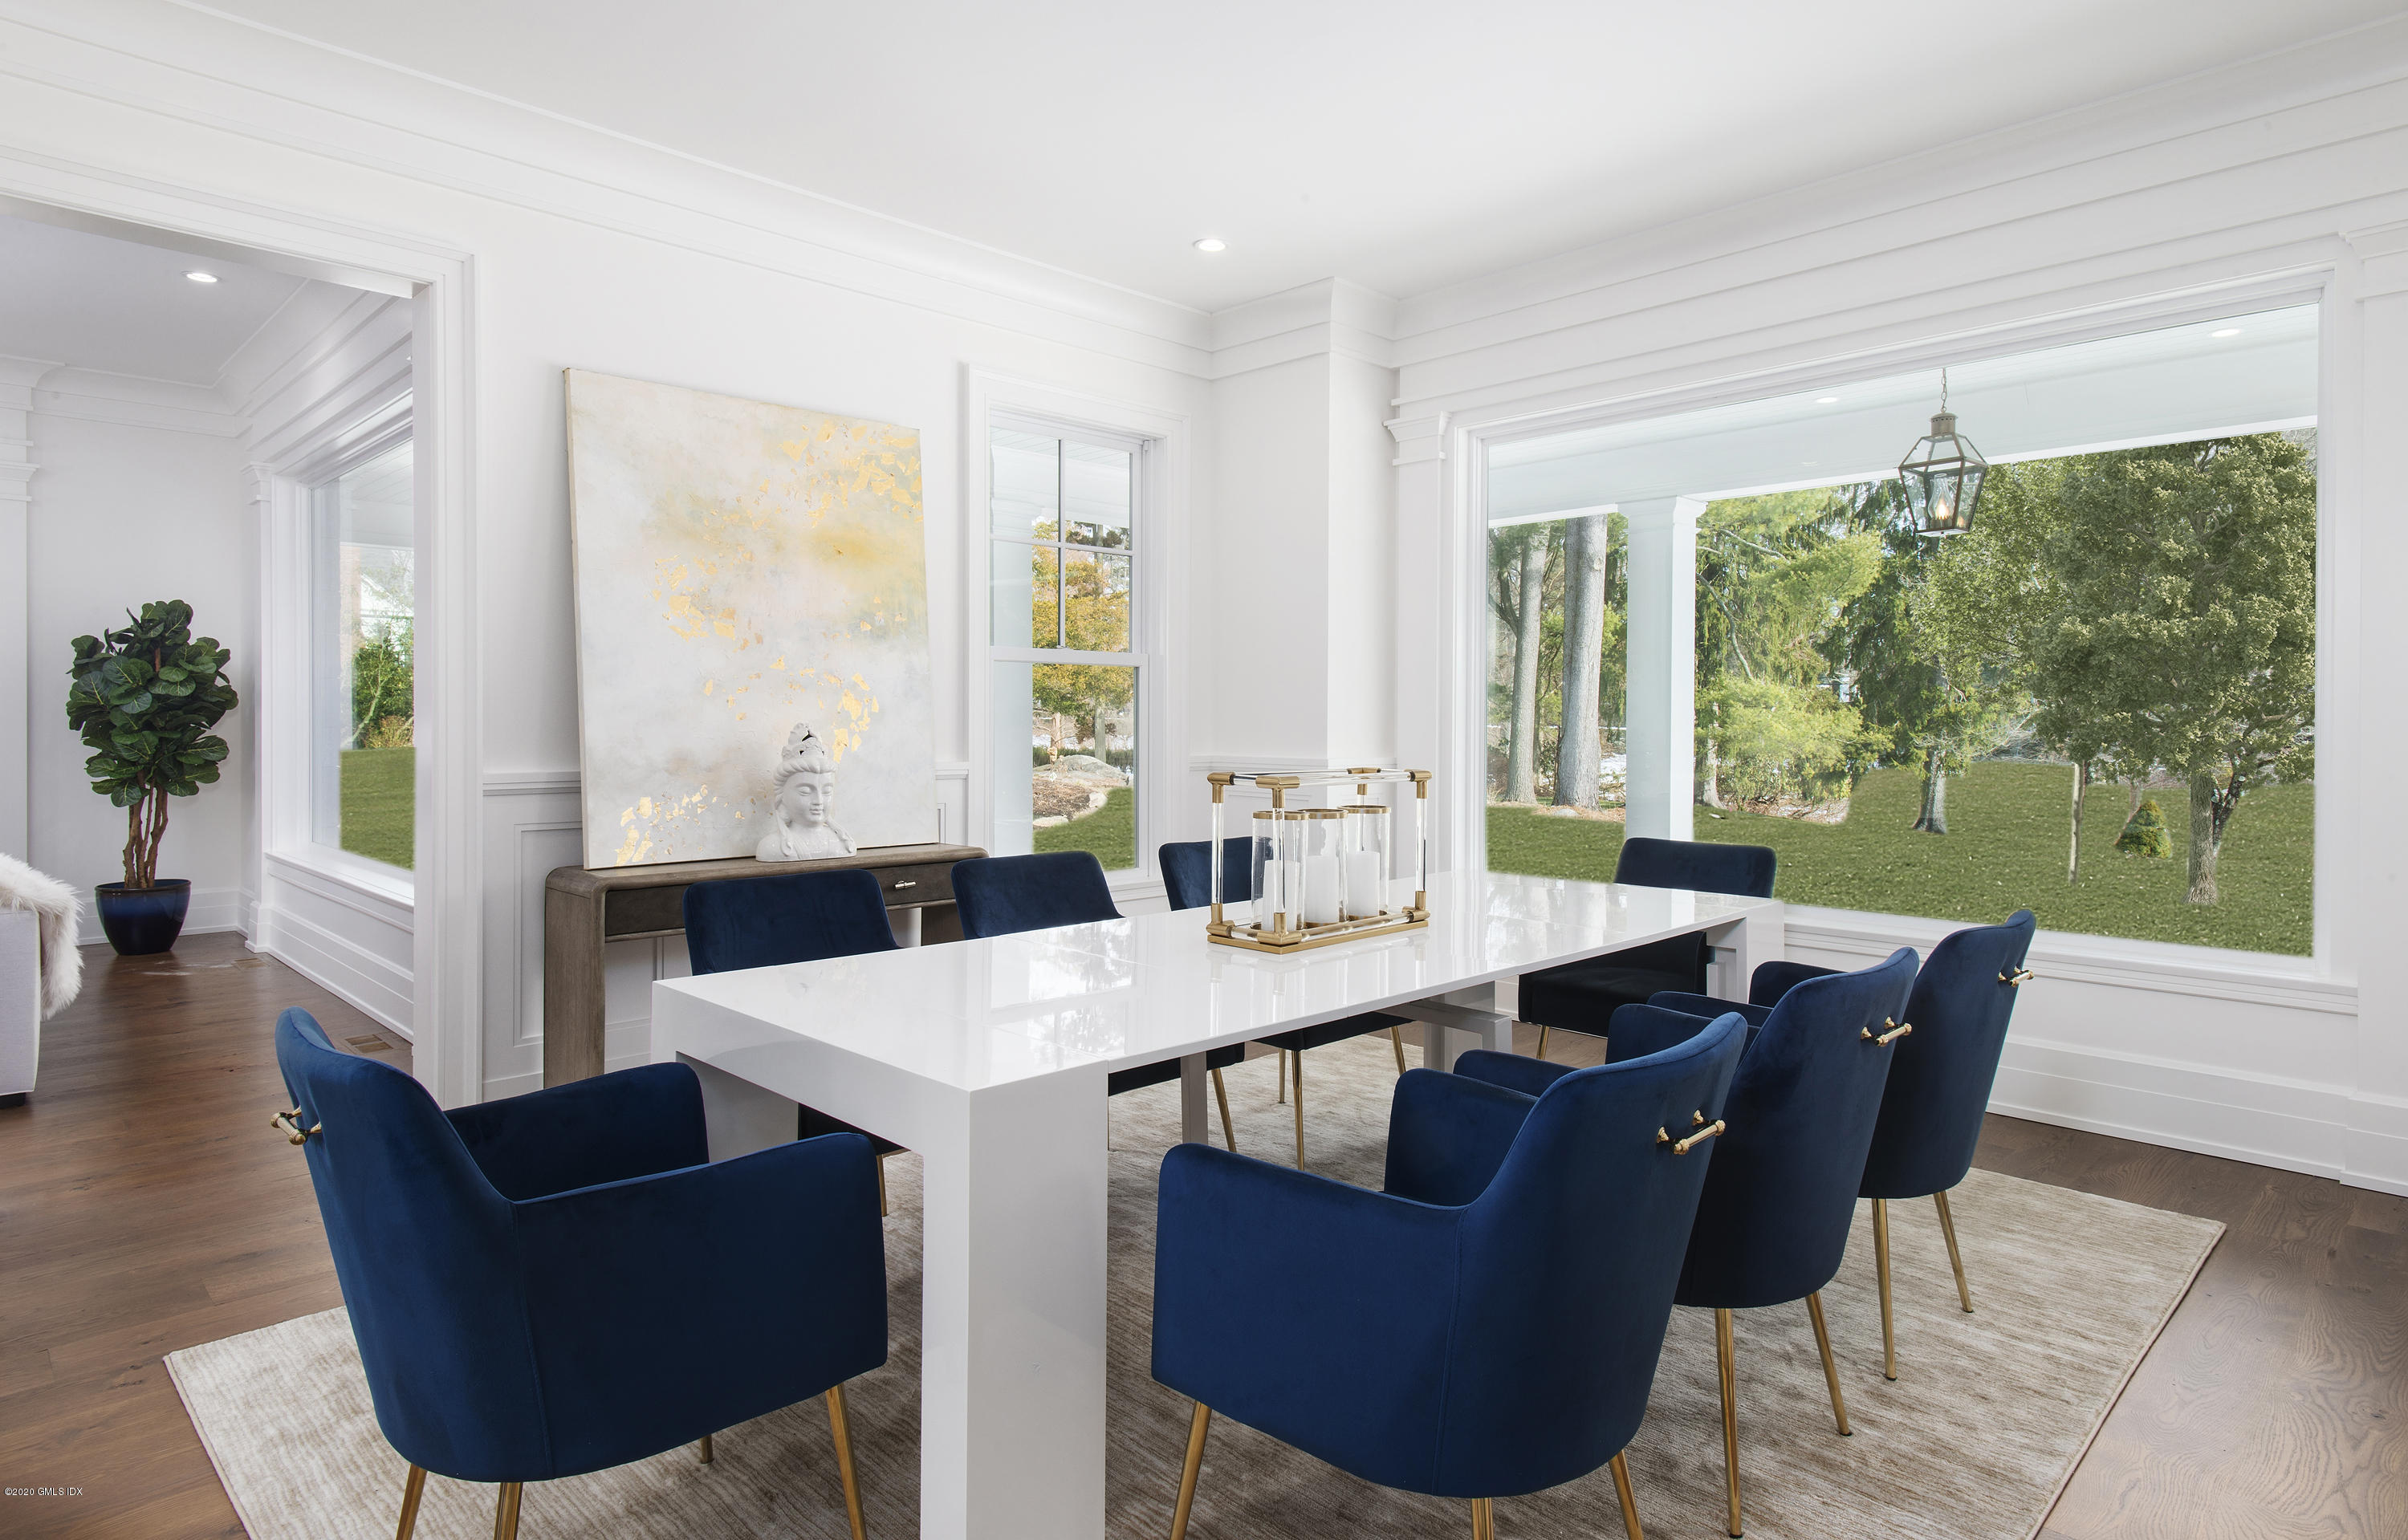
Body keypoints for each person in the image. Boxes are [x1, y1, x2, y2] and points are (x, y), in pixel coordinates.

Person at [755, 722, 856, 861]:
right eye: (805, 791)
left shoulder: (842, 844)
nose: (819, 801)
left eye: (826, 791)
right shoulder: (772, 847)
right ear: (782, 796)